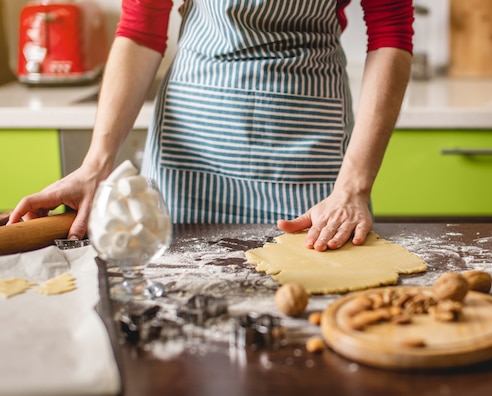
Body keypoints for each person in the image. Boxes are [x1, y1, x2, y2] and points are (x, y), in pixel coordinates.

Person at [8, 0, 413, 252]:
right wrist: (96, 165)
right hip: (192, 149)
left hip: (306, 143)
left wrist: (352, 187)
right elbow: (141, 28)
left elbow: (390, 31)